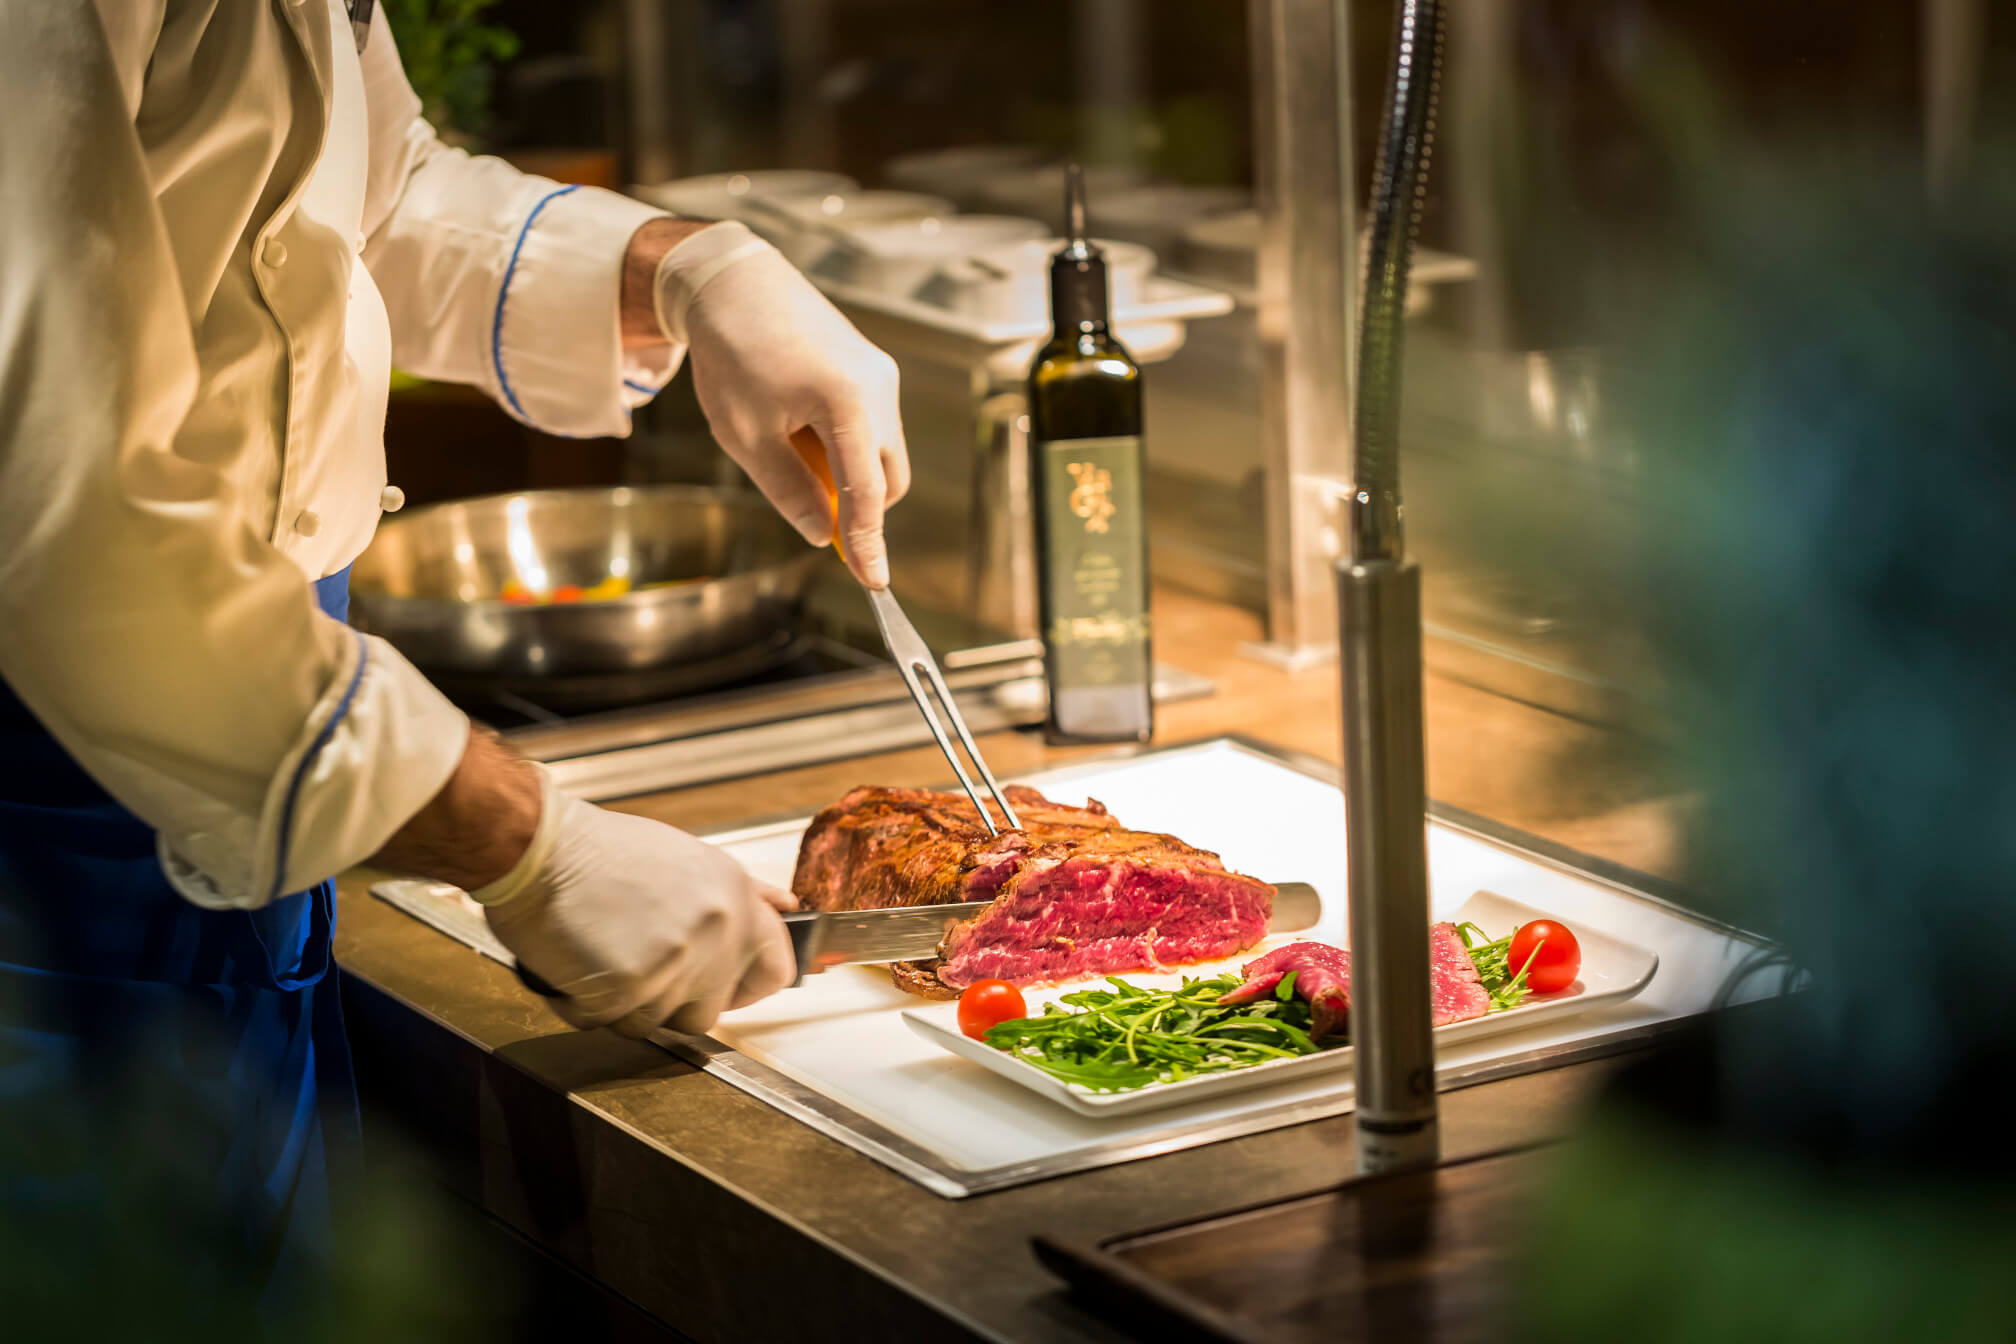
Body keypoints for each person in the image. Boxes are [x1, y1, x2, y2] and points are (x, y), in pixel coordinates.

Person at [0, 0, 907, 1311]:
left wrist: (685, 271)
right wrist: (530, 843)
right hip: (59, 809)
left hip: (239, 752)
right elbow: (71, 532)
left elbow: (343, 204)